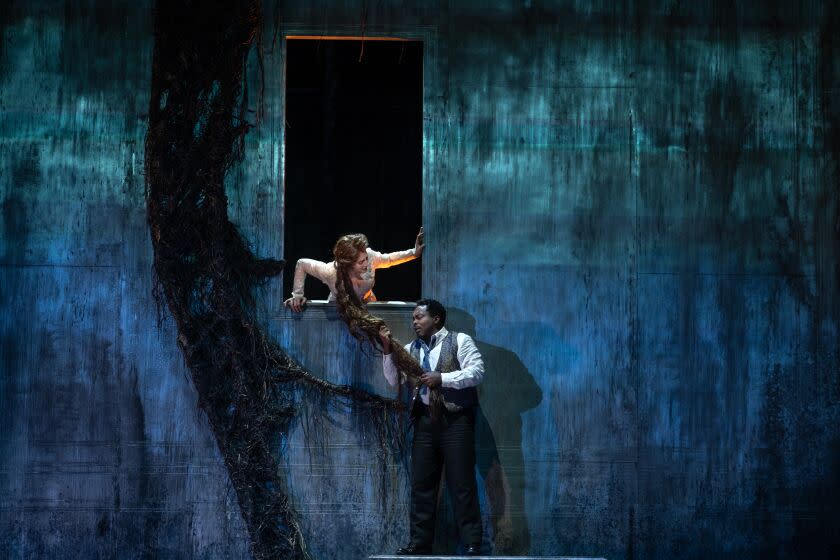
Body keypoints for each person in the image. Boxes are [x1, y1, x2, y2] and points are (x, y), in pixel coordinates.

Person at [379, 299, 484, 556]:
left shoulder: (460, 340)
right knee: (422, 485)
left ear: (436, 319)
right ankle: (420, 543)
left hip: (455, 420)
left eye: (419, 317)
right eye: (413, 318)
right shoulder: (409, 348)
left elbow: (477, 371)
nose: (414, 322)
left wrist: (443, 379)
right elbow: (394, 380)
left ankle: (472, 542)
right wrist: (387, 351)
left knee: (461, 483)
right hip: (425, 421)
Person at [284, 228, 424, 312]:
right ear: (347, 265)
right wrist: (297, 294)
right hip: (339, 309)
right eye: (361, 262)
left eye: (366, 259)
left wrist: (414, 253)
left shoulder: (370, 257)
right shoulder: (329, 271)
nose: (366, 263)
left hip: (367, 304)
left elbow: (389, 259)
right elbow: (302, 264)